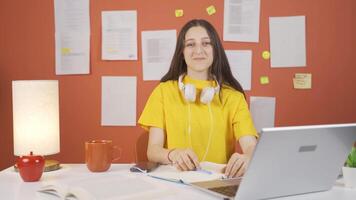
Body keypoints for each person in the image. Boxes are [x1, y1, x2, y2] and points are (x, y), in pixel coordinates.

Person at [138, 19, 258, 178]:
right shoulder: (163, 91)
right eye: (190, 44)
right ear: (182, 51)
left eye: (206, 43)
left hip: (217, 181)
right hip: (175, 180)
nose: (198, 50)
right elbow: (153, 151)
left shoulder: (233, 97)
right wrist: (173, 154)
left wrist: (248, 157)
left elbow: (250, 145)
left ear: (215, 49)